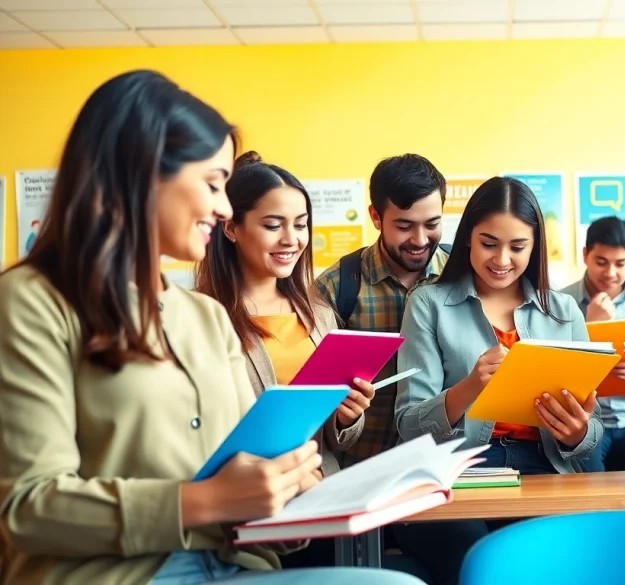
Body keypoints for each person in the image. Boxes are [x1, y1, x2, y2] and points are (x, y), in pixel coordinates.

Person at [0, 69, 423, 585]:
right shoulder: (31, 301)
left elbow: (250, 471)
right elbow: (27, 507)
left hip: (232, 565)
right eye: (212, 183)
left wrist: (300, 489)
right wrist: (205, 502)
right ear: (142, 175)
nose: (223, 207)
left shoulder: (204, 318)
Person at [393, 176, 602, 585]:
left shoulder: (564, 311)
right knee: (482, 562)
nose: (502, 259)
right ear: (468, 239)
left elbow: (594, 432)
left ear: (535, 247)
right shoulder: (429, 303)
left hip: (542, 470)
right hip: (456, 470)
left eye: (517, 247)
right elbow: (408, 425)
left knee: (560, 558)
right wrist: (469, 386)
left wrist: (577, 433)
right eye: (489, 243)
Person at [193, 151, 379, 569]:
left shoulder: (320, 315)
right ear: (231, 228)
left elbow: (336, 438)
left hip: (324, 499)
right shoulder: (202, 317)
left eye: (300, 224)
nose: (291, 239)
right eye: (273, 225)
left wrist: (347, 416)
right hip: (248, 509)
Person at [313, 154, 449, 471]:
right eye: (404, 226)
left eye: (432, 224)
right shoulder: (335, 288)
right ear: (376, 217)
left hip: (444, 469)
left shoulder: (464, 279)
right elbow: (317, 402)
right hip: (361, 470)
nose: (420, 240)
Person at [559, 216, 625, 472]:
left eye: (620, 263)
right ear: (585, 255)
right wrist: (588, 326)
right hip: (585, 422)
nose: (610, 273)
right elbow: (555, 369)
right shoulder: (561, 302)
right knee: (586, 481)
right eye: (601, 262)